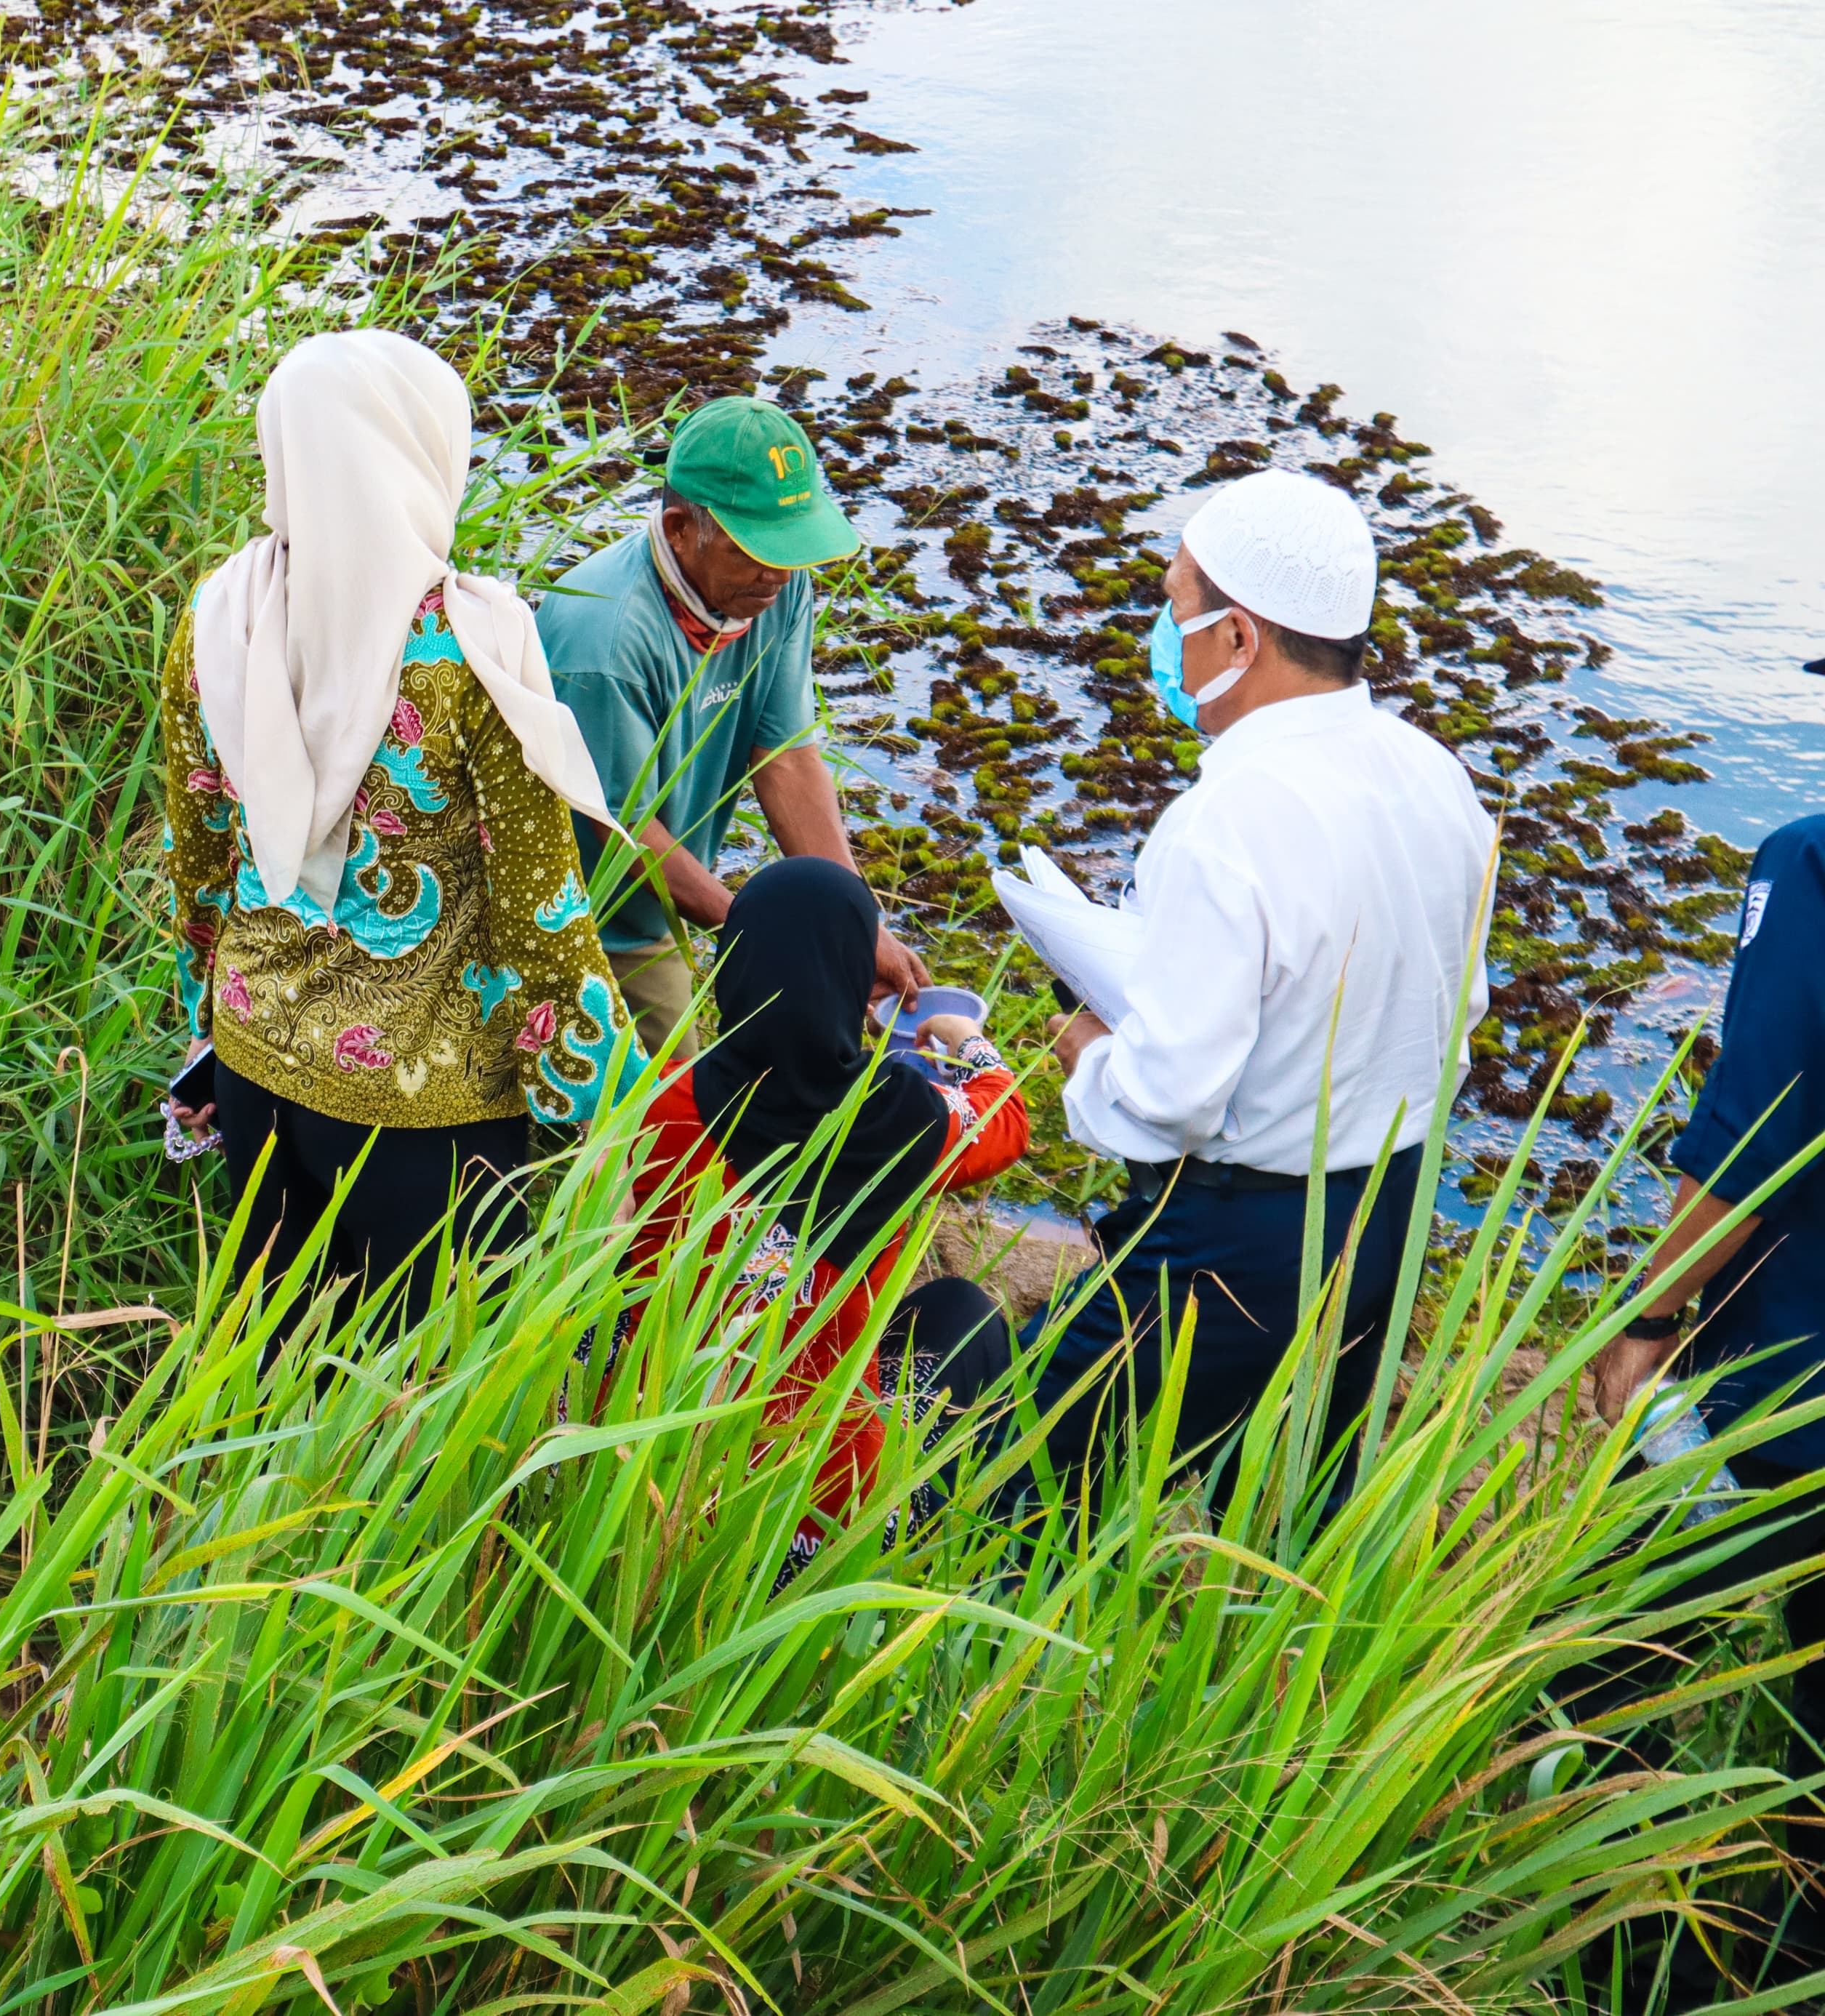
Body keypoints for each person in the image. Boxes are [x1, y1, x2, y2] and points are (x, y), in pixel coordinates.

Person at [1032, 468, 1493, 1498]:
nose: (1164, 632)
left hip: (1239, 1242)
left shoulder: (1225, 819)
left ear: (1238, 639)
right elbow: (1455, 1023)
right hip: (1391, 1216)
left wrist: (1093, 1059)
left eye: (1175, 607)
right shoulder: (1435, 773)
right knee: (1298, 1495)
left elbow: (1169, 1101)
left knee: (1021, 1476)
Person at [160, 330, 633, 1320]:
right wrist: (630, 1109)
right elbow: (541, 917)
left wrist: (208, 1022)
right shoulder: (472, 653)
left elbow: (200, 860)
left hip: (255, 1061)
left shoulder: (221, 615)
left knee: (272, 1357)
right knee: (419, 1399)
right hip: (428, 1112)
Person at [605, 859, 1027, 1578]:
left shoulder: (667, 1102)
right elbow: (1005, 1116)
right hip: (816, 1515)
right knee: (960, 1315)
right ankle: (980, 1563)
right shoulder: (900, 1119)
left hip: (649, 1475)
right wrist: (961, 1039)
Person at [1564, 814, 1825, 1856]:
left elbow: (1756, 1129)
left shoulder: (1808, 864)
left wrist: (1651, 1314)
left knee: (1606, 1665)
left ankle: (1600, 1930)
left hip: (1784, 1384)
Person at [537, 397, 926, 1056]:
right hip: (585, 914)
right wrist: (765, 931)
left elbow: (787, 758)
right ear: (681, 528)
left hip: (661, 893)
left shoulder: (774, 589)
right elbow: (624, 835)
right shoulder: (606, 641)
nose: (778, 573)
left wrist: (854, 925)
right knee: (675, 1127)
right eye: (756, 550)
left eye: (790, 548)